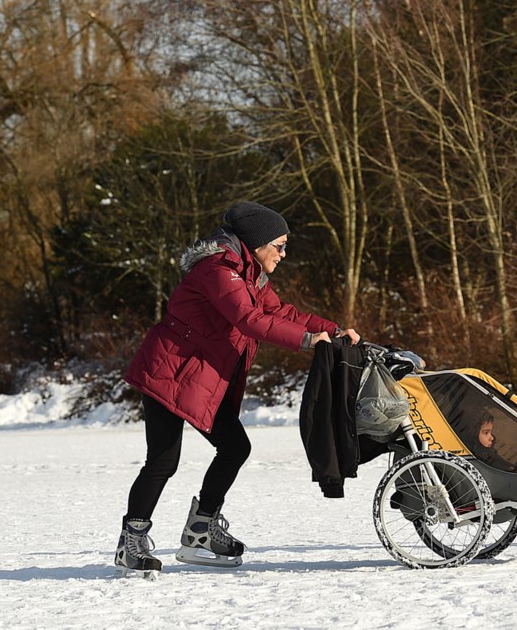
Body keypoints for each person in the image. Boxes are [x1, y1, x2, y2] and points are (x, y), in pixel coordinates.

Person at [114, 201, 360, 577]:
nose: (283, 253)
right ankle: (131, 542)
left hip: (199, 380)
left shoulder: (249, 275)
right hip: (168, 372)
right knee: (163, 460)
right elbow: (250, 320)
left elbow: (280, 313)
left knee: (235, 448)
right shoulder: (219, 270)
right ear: (257, 243)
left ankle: (200, 530)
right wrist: (308, 341)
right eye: (278, 245)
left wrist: (334, 327)